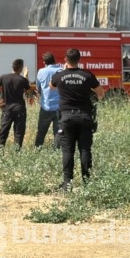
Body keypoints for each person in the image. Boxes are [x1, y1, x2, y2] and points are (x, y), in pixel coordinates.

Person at [50, 48, 104, 191]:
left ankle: (67, 183)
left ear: (65, 59)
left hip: (66, 117)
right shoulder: (87, 75)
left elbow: (51, 87)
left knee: (67, 150)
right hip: (85, 116)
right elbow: (101, 93)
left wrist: (64, 71)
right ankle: (87, 182)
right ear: (79, 59)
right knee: (85, 150)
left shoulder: (59, 76)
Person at [0, 58, 35, 149]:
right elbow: (29, 92)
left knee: (3, 132)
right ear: (21, 68)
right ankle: (16, 154)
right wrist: (26, 76)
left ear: (12, 67)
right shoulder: (22, 80)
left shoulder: (3, 77)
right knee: (18, 133)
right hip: (20, 109)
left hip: (7, 109)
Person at [34, 52, 62, 149]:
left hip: (46, 107)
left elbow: (38, 88)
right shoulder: (61, 71)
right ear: (55, 60)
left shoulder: (41, 71)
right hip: (59, 107)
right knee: (58, 132)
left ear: (44, 62)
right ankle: (57, 151)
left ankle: (37, 150)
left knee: (41, 131)